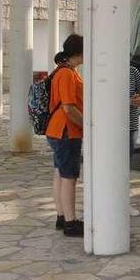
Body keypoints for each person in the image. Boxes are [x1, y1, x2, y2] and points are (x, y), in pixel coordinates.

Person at [47, 34, 84, 238]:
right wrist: (87, 125)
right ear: (80, 52)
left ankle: (62, 216)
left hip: (56, 130)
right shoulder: (68, 74)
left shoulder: (61, 71)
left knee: (59, 174)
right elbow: (69, 108)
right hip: (66, 131)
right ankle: (71, 223)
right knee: (69, 177)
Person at [129, 64, 140, 217]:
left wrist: (137, 100)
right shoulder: (106, 70)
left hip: (131, 125)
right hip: (111, 127)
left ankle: (124, 201)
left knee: (126, 165)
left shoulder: (133, 71)